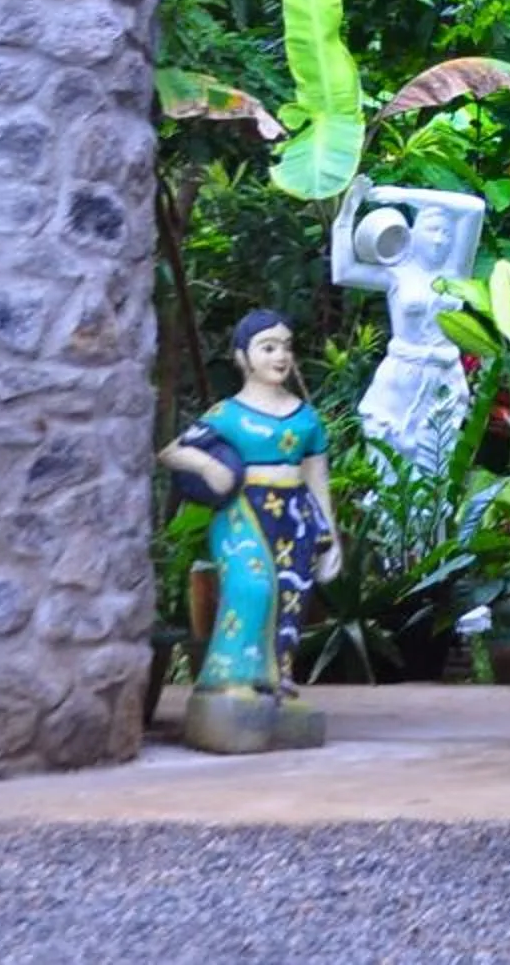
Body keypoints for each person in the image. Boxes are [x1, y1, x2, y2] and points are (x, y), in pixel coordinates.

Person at [159, 310, 340, 752]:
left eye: (285, 346)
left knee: (289, 599)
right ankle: (227, 678)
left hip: (293, 517)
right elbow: (171, 451)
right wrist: (210, 468)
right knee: (252, 585)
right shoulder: (227, 415)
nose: (280, 356)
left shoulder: (306, 419)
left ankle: (274, 682)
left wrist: (330, 536)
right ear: (243, 357)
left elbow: (317, 478)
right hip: (243, 512)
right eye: (268, 347)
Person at [332, 174, 488, 481]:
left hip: (443, 376)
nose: (441, 239)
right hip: (401, 375)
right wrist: (347, 213)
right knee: (390, 466)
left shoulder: (455, 271)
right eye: (432, 231)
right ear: (415, 234)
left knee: (435, 466)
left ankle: (430, 529)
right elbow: (343, 272)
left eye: (446, 233)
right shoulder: (397, 275)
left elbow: (473, 209)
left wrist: (404, 195)